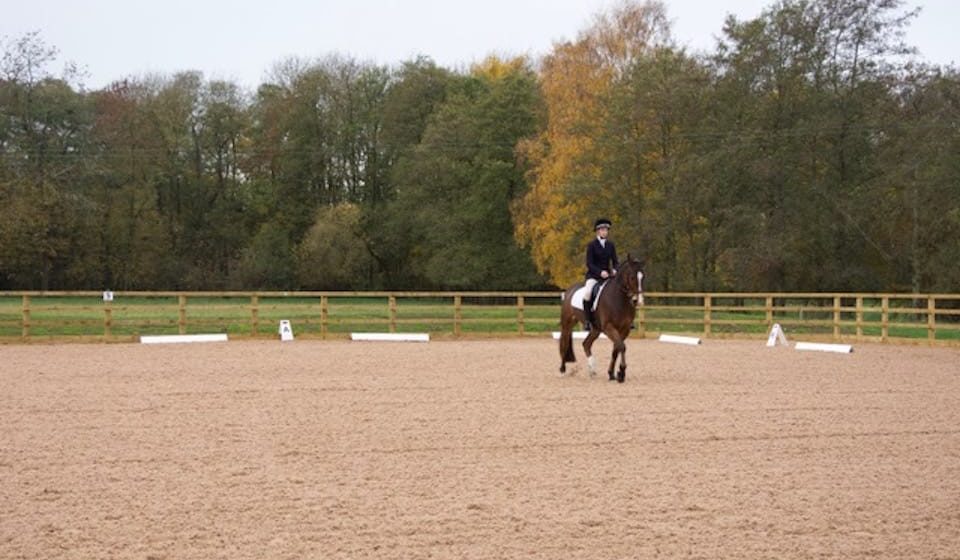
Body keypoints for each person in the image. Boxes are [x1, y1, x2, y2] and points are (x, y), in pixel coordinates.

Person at [582, 217, 618, 330]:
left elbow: (615, 261)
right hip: (593, 276)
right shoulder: (591, 245)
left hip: (607, 276)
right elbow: (589, 263)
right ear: (598, 231)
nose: (605, 232)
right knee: (587, 293)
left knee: (619, 291)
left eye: (606, 230)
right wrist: (600, 272)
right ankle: (587, 321)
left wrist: (615, 270)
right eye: (603, 230)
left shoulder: (610, 245)